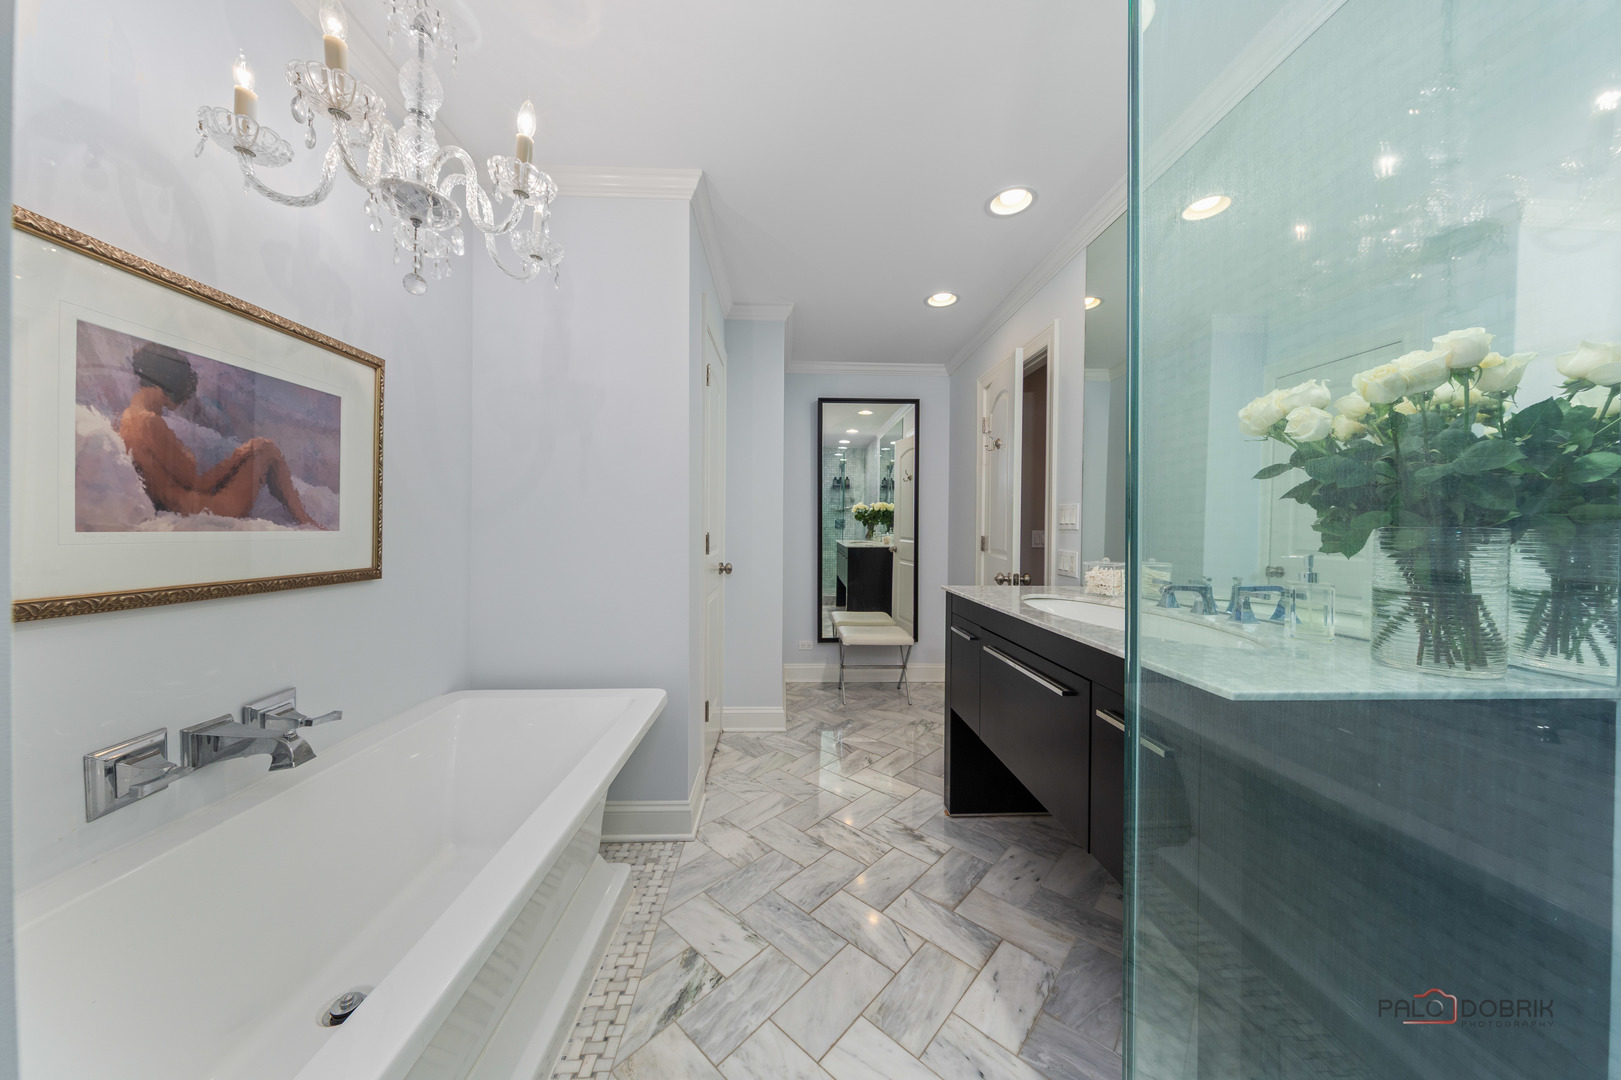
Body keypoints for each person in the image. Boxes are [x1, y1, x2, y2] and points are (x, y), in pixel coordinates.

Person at [116, 342, 323, 528]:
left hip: (188, 504)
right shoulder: (149, 422)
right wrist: (241, 453)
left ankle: (305, 521)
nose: (177, 406)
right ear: (168, 386)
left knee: (260, 448)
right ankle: (308, 522)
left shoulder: (129, 418)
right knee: (266, 449)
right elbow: (201, 484)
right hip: (208, 509)